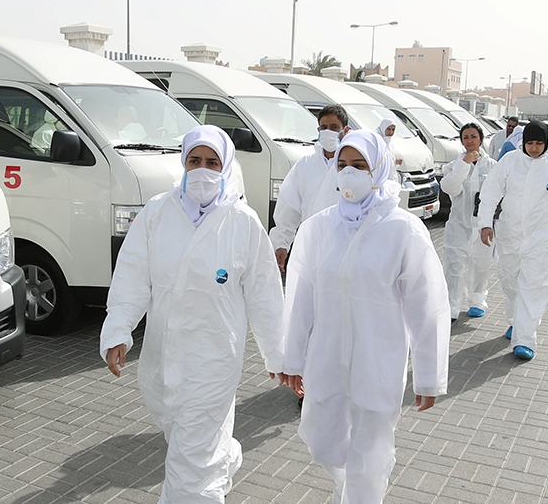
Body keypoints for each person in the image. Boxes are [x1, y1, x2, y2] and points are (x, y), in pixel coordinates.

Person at [100, 125, 284, 503]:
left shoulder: (243, 222)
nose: (203, 170)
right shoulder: (157, 212)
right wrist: (118, 330)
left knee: (190, 468)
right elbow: (132, 274)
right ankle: (225, 456)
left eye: (212, 162)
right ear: (183, 163)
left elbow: (265, 295)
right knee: (186, 437)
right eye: (194, 160)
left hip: (215, 359)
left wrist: (278, 355)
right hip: (161, 358)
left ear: (226, 166)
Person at [281, 129, 450, 504]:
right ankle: (352, 487)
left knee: (369, 454)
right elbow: (299, 299)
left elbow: (428, 306)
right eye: (342, 165)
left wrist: (428, 376)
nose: (349, 173)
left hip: (378, 360)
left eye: (360, 165)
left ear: (380, 169)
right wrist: (291, 359)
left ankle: (361, 493)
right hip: (326, 359)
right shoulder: (318, 228)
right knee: (322, 442)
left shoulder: (403, 229)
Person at [478, 121, 548, 360]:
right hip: (510, 232)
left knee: (533, 285)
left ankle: (525, 337)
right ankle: (515, 321)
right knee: (509, 280)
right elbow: (490, 192)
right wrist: (485, 224)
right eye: (530, 143)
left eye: (539, 143)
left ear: (546, 143)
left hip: (541, 235)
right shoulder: (510, 161)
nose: (533, 148)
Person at [270, 104, 351, 273]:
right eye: (324, 127)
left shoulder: (352, 166)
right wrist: (282, 244)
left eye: (334, 127)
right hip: (310, 248)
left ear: (345, 130)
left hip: (346, 249)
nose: (328, 131)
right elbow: (288, 208)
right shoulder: (305, 165)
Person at [441, 123, 497, 322]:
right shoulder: (454, 165)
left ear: (481, 139)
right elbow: (449, 187)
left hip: (482, 226)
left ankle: (476, 300)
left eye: (473, 136)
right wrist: (464, 164)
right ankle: (452, 306)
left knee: (480, 265)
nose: (470, 141)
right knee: (454, 265)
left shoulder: (492, 166)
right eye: (465, 137)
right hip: (459, 224)